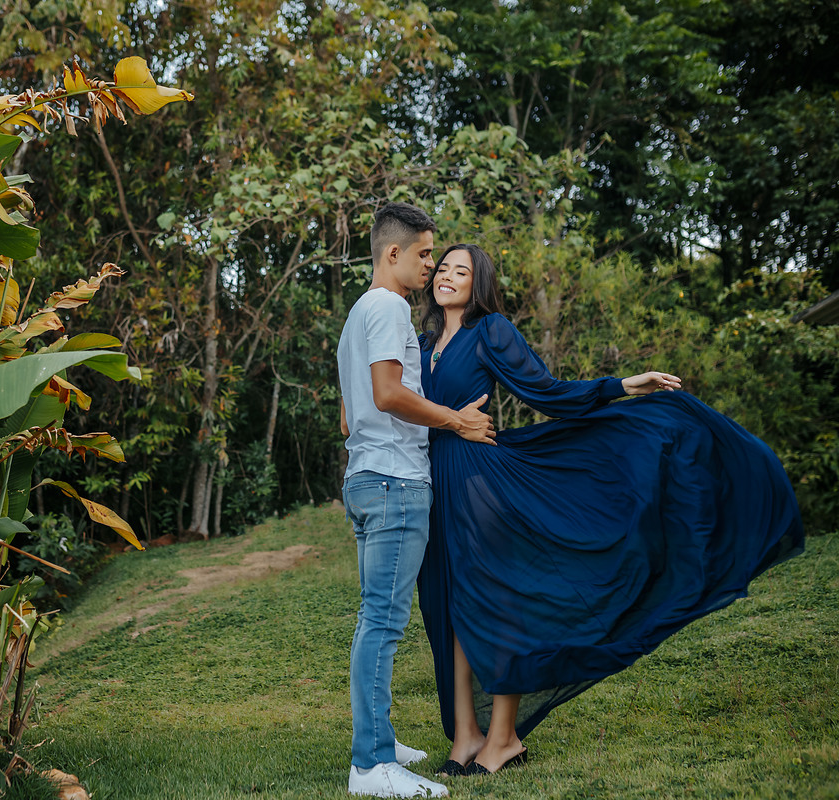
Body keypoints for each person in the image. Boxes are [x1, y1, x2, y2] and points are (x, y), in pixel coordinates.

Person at [414, 243, 804, 777]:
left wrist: (623, 386)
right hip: (433, 482)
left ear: (477, 283)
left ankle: (503, 739)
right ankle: (466, 737)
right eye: (442, 268)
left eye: (461, 271)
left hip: (479, 480)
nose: (447, 276)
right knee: (453, 608)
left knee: (497, 604)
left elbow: (547, 392)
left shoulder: (491, 330)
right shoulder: (422, 343)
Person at [337, 205, 497, 798]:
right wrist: (456, 420)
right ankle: (371, 765)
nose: (431, 264)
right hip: (394, 483)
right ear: (393, 254)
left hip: (366, 477)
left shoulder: (358, 313)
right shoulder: (388, 307)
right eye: (425, 253)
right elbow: (386, 394)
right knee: (382, 623)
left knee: (374, 619)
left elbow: (349, 417)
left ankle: (379, 736)